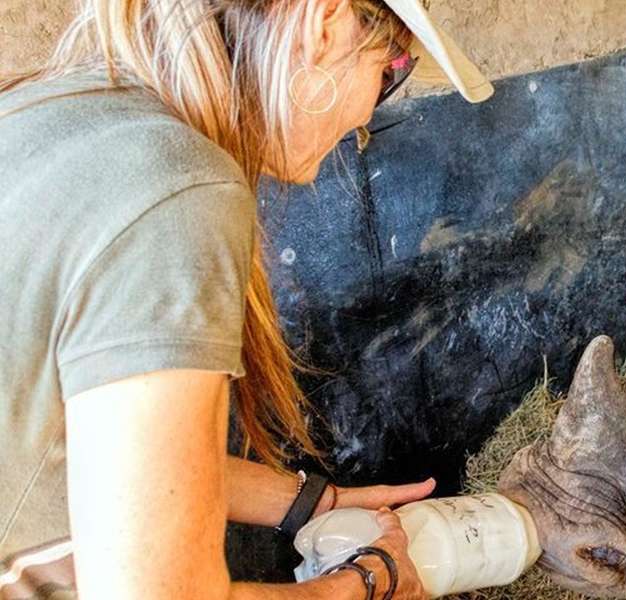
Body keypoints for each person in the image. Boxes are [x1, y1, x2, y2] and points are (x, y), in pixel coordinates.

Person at [0, 0, 494, 598]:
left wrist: (312, 502)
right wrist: (368, 581)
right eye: (391, 70)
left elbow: (106, 457)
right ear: (325, 24)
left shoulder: (52, 111)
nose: (367, 115)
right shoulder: (178, 192)